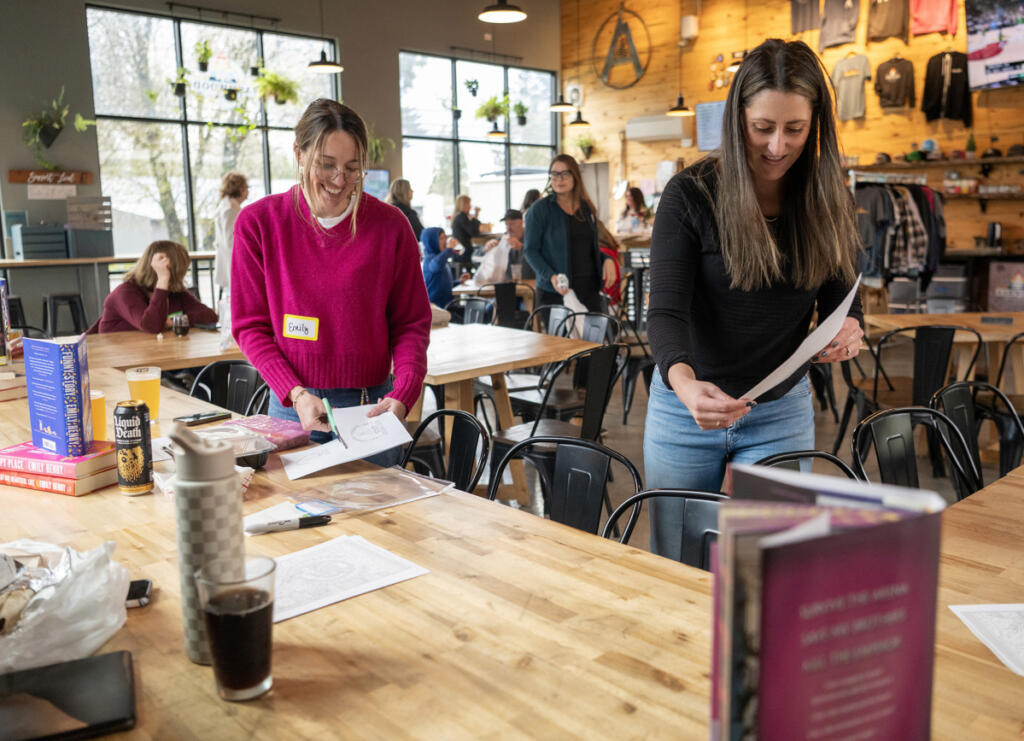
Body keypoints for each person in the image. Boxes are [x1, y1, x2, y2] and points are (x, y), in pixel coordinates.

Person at [643, 38, 864, 558]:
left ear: (816, 126)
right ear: (737, 117)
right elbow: (666, 312)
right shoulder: (691, 194)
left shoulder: (828, 197)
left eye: (795, 129)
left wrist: (851, 325)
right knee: (676, 563)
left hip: (779, 410)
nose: (777, 146)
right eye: (762, 127)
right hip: (685, 408)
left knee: (771, 564)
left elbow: (841, 293)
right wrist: (685, 385)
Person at [231, 99, 431, 466]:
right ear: (299, 154)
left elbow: (411, 324)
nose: (340, 180)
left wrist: (404, 391)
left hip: (371, 409)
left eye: (352, 168)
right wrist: (295, 392)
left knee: (382, 521)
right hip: (292, 405)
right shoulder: (259, 223)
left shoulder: (390, 226)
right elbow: (250, 326)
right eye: (326, 165)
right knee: (298, 518)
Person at [523, 154, 617, 311]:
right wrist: (550, 276)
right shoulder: (539, 210)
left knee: (592, 336)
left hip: (590, 291)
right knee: (561, 337)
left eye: (565, 174)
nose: (559, 179)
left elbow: (586, 248)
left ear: (575, 176)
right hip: (555, 292)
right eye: (554, 174)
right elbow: (530, 251)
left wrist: (606, 259)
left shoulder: (586, 208)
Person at [94, 240, 218, 333]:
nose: (183, 275)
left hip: (151, 356)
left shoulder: (174, 291)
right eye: (180, 270)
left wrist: (173, 321)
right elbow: (152, 326)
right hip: (118, 362)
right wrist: (163, 279)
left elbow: (209, 316)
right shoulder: (124, 293)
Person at [213, 172, 249, 297]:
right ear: (240, 189)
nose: (247, 191)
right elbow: (231, 241)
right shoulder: (229, 209)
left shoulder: (228, 205)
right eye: (246, 187)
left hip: (231, 262)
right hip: (232, 263)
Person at [421, 226, 469, 307]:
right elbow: (436, 265)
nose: (445, 241)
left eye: (445, 238)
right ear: (432, 241)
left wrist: (459, 282)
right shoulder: (429, 259)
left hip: (448, 305)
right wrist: (449, 249)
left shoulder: (441, 258)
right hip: (437, 307)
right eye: (441, 238)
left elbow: (443, 285)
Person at [474, 208, 524, 285]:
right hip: (504, 286)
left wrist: (522, 248)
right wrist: (485, 249)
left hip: (527, 284)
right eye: (506, 224)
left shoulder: (530, 240)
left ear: (521, 223)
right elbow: (474, 258)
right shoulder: (501, 240)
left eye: (512, 224)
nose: (508, 228)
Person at [450, 194, 480, 269]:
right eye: (468, 203)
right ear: (463, 204)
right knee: (480, 255)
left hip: (457, 250)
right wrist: (474, 219)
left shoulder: (457, 216)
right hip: (463, 251)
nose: (470, 206)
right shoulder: (462, 216)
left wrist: (474, 216)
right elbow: (474, 233)